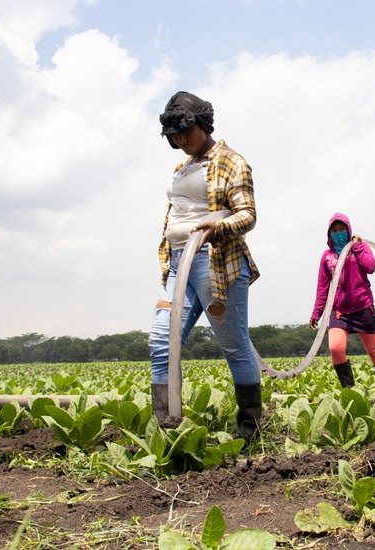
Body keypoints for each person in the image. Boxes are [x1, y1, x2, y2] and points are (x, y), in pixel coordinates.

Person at [149, 91, 262, 441]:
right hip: (177, 263)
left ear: (203, 125)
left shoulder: (231, 161)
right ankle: (165, 427)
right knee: (161, 342)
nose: (181, 140)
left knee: (234, 345)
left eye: (186, 132)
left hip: (214, 264)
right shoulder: (182, 167)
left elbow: (248, 214)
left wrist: (216, 227)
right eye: (175, 136)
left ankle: (250, 428)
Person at [309, 213, 375, 395]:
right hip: (339, 310)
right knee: (335, 349)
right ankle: (351, 394)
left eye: (342, 229)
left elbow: (371, 267)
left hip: (362, 307)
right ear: (329, 234)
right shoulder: (327, 256)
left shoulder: (360, 247)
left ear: (349, 230)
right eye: (334, 231)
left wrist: (357, 246)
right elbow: (323, 286)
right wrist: (317, 312)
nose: (338, 233)